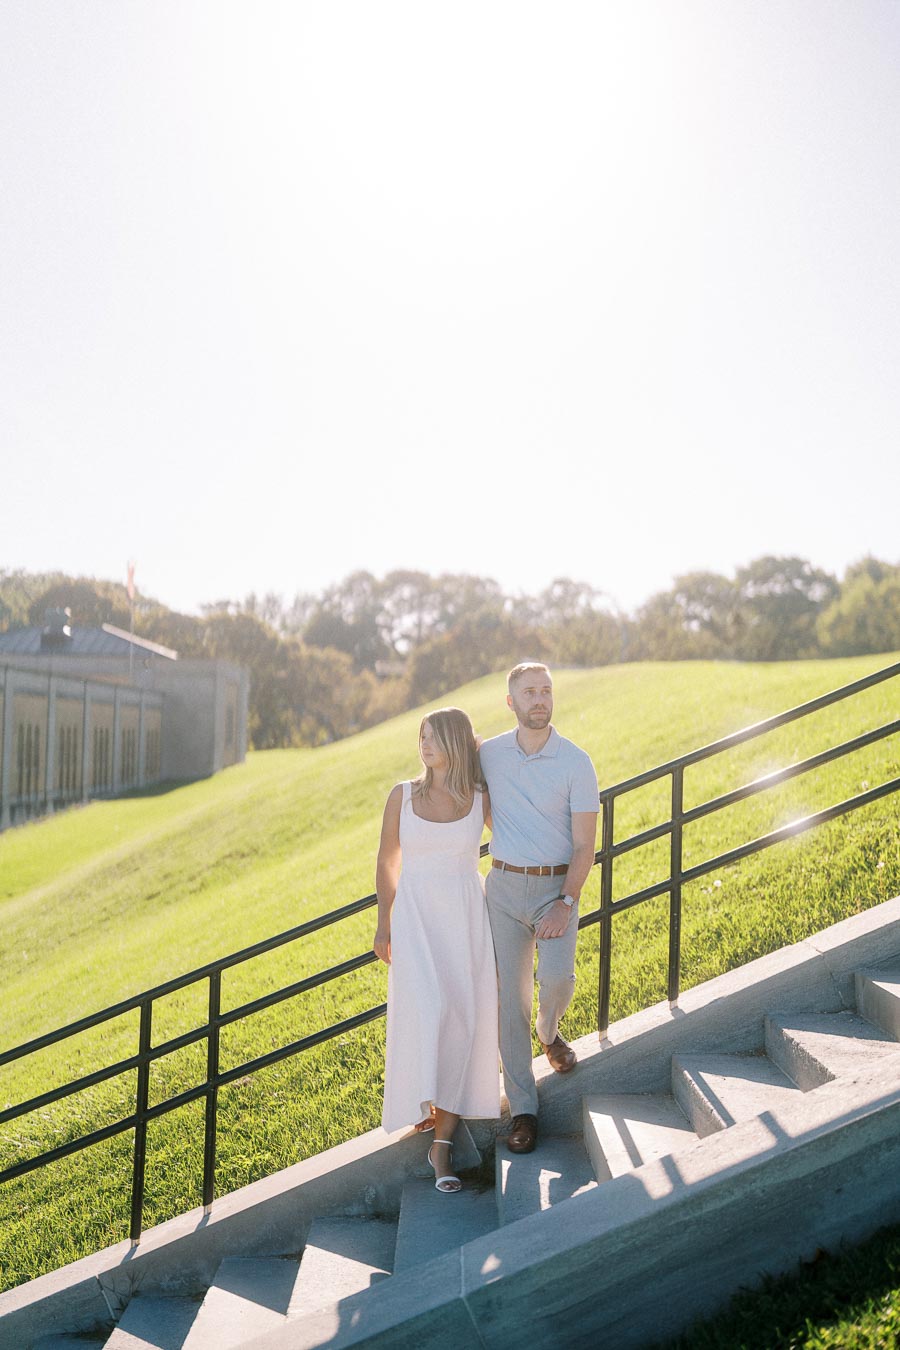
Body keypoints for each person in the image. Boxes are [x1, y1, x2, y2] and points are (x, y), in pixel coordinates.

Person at [373, 707, 501, 1192]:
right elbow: (387, 861)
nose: (424, 745)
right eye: (420, 736)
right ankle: (421, 1099)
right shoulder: (402, 796)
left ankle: (442, 1145)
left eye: (433, 737)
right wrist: (385, 919)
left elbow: (513, 839)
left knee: (462, 1020)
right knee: (430, 1010)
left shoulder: (479, 796)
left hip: (467, 918)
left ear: (457, 742)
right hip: (417, 919)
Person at [480, 662, 599, 1155]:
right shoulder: (489, 754)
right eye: (529, 692)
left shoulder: (576, 761)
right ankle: (524, 1110)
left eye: (546, 691)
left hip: (556, 890)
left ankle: (549, 1034)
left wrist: (566, 902)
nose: (540, 699)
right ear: (511, 701)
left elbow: (585, 845)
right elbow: (479, 804)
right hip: (504, 889)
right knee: (510, 1002)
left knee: (557, 980)